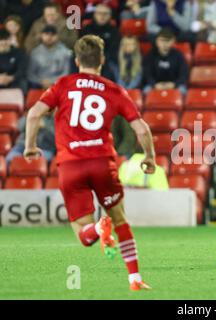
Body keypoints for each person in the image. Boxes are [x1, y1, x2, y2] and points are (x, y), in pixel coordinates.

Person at [24, 35, 156, 291]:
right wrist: (149, 156)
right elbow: (141, 129)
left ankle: (97, 227)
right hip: (102, 163)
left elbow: (34, 113)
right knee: (120, 220)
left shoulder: (63, 84)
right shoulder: (114, 90)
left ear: (76, 61)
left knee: (84, 236)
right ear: (103, 61)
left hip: (71, 166)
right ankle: (135, 279)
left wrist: (30, 146)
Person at [142, 28, 189, 94]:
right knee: (145, 91)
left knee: (183, 91)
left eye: (167, 41)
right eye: (162, 41)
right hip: (155, 85)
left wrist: (174, 84)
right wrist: (154, 84)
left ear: (172, 41)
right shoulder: (150, 56)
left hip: (174, 85)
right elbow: (147, 74)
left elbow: (184, 74)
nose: (164, 44)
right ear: (157, 41)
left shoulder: (178, 55)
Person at [27, 25, 72, 89]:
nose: (49, 37)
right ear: (41, 35)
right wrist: (41, 82)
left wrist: (52, 81)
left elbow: (66, 73)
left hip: (59, 84)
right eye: (46, 34)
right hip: (39, 85)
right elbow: (30, 74)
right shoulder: (35, 52)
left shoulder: (65, 52)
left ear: (57, 36)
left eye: (53, 34)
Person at [0, 29, 27, 94]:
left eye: (6, 39)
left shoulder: (19, 52)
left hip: (14, 79)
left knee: (23, 83)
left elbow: (22, 70)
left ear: (11, 39)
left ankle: (20, 103)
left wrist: (11, 78)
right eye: (1, 40)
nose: (4, 42)